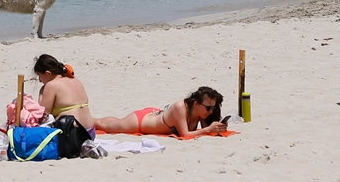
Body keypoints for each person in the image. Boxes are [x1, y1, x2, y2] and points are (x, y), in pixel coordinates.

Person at [94, 87, 228, 138]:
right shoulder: (180, 107)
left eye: (213, 108)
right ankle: (79, 119)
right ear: (196, 104)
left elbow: (206, 131)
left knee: (114, 122)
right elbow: (185, 134)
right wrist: (208, 130)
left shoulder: (201, 113)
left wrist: (217, 127)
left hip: (156, 115)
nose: (210, 111)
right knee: (103, 125)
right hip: (140, 122)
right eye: (208, 108)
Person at [33, 54, 96, 138]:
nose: (40, 80)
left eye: (40, 76)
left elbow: (44, 116)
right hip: (90, 132)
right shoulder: (74, 80)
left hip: (72, 135)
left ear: (48, 73)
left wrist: (41, 94)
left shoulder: (51, 85)